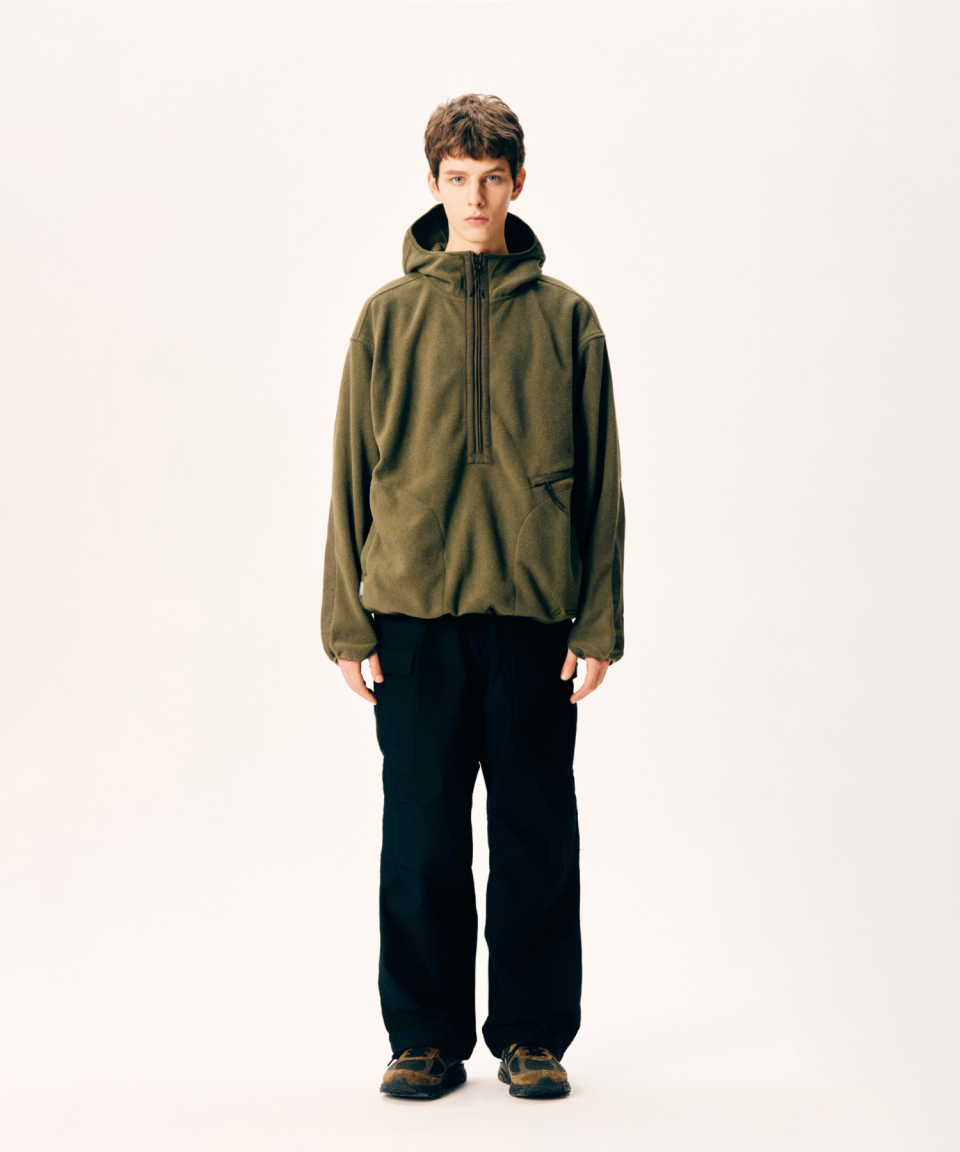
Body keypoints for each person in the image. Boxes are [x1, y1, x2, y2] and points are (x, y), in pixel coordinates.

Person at [321, 92, 625, 1101]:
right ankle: (425, 1038)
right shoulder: (387, 318)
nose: (476, 197)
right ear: (434, 184)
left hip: (534, 621)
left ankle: (532, 1036)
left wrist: (599, 621)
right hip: (412, 620)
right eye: (459, 179)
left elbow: (603, 481)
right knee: (421, 839)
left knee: (537, 833)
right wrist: (345, 620)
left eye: (493, 178)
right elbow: (348, 476)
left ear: (518, 183)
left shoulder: (567, 320)